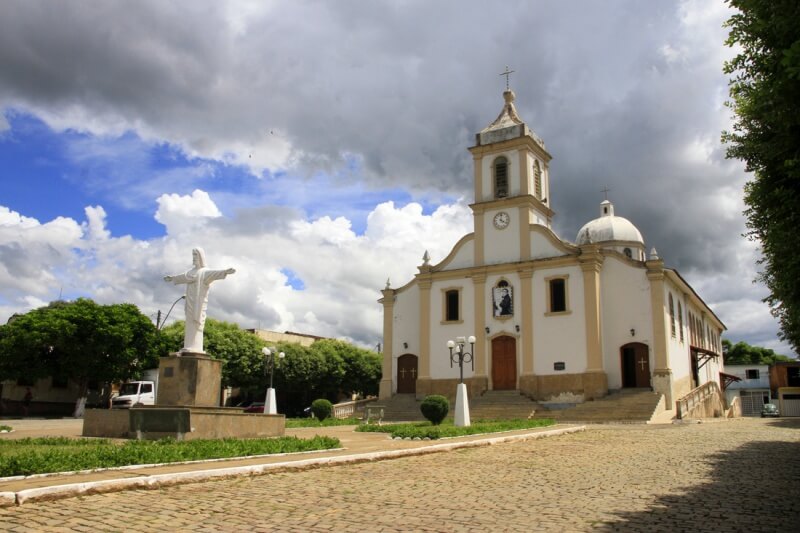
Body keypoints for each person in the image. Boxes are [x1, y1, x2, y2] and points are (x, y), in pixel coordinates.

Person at [164, 247, 236, 354]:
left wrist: (225, 271)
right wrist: (172, 278)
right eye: (193, 255)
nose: (194, 258)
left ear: (201, 257)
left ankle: (196, 347)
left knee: (196, 322)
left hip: (199, 304)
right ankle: (188, 346)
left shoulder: (204, 272)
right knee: (189, 323)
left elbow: (214, 273)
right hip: (190, 303)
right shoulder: (190, 273)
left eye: (196, 255)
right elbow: (181, 277)